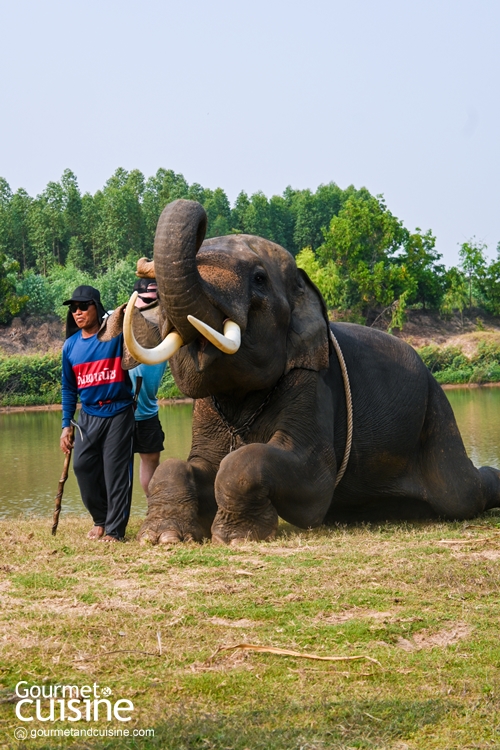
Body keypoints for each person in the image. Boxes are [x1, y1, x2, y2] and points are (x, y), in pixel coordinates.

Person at [59, 285, 135, 542]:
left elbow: (138, 334)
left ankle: (114, 531)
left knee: (115, 472)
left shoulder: (115, 335)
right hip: (88, 416)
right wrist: (66, 425)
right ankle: (100, 519)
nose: (77, 312)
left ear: (96, 307)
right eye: (73, 308)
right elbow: (69, 389)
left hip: (119, 412)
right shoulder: (70, 347)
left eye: (82, 306)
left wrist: (127, 316)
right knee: (82, 466)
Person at [128, 279, 167, 496]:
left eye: (157, 302)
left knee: (151, 458)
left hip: (148, 408)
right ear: (134, 299)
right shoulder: (119, 318)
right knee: (118, 462)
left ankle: (154, 508)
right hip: (120, 408)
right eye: (147, 301)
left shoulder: (165, 322)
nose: (153, 307)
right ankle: (114, 517)